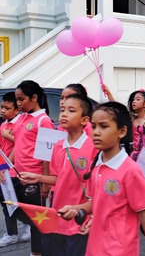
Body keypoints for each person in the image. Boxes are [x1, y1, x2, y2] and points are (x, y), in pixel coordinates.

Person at [57, 101, 145, 255]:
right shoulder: (97, 166)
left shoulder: (130, 170)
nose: (96, 132)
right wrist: (75, 208)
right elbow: (95, 203)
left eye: (103, 126)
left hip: (120, 250)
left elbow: (144, 215)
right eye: (93, 126)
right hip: (94, 248)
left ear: (122, 131)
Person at [20, 94, 97, 255]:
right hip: (58, 218)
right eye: (62, 110)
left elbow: (98, 187)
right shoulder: (57, 146)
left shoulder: (93, 148)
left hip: (80, 220)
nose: (63, 114)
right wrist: (38, 177)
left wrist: (93, 216)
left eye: (71, 110)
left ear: (84, 120)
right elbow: (58, 178)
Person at [11, 80, 55, 256]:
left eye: (22, 99)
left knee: (38, 219)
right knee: (18, 211)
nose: (19, 103)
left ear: (34, 97)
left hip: (34, 178)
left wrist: (45, 183)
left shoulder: (44, 121)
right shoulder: (21, 117)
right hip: (18, 175)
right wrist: (6, 167)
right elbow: (17, 144)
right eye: (17, 100)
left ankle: (37, 252)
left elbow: (47, 155)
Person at [0, 92, 31, 247]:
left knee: (21, 202)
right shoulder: (3, 125)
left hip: (18, 171)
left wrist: (9, 136)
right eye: (1, 107)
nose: (2, 111)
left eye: (7, 108)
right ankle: (11, 233)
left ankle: (28, 226)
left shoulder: (20, 124)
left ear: (16, 110)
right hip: (3, 170)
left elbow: (24, 143)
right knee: (6, 203)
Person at [127, 89, 145, 160]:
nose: (134, 101)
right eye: (133, 99)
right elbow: (120, 110)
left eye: (138, 99)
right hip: (132, 154)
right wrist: (109, 94)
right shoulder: (133, 118)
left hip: (143, 156)